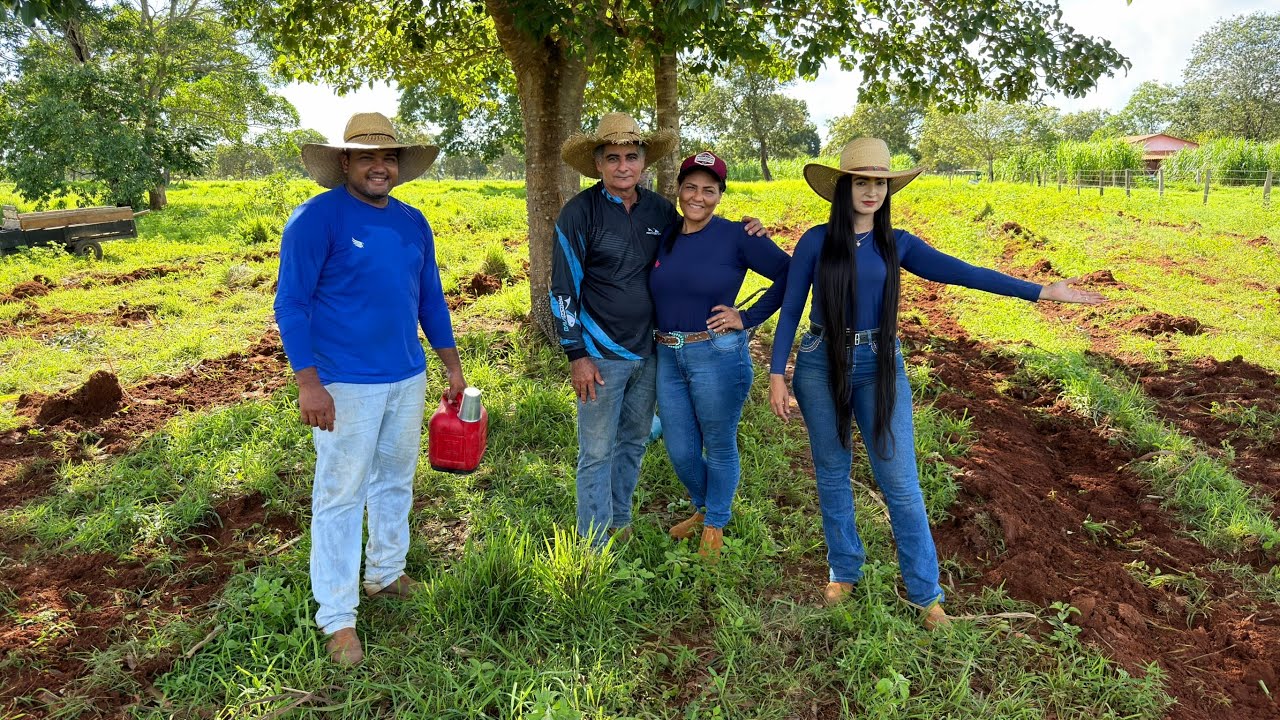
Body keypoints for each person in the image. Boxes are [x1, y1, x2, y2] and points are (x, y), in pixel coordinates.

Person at [767, 138, 1104, 629]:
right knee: (832, 471)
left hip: (880, 363)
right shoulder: (816, 242)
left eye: (880, 183)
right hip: (821, 363)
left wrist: (1040, 290)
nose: (871, 192)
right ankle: (844, 570)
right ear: (843, 188)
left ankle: (926, 596)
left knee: (899, 482)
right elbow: (793, 305)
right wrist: (777, 372)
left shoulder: (896, 243)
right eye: (862, 182)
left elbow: (963, 273)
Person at [274, 112, 467, 665]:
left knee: (394, 481)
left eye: (388, 158)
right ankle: (337, 617)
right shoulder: (316, 220)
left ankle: (385, 572)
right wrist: (309, 383)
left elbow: (429, 298)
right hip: (344, 385)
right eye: (367, 157)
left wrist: (451, 367)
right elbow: (291, 304)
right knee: (340, 495)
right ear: (344, 162)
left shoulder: (412, 221)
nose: (380, 166)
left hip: (406, 376)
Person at [649, 151, 790, 558]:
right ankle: (703, 506)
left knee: (719, 442)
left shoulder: (739, 236)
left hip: (716, 354)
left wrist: (747, 316)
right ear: (678, 190)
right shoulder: (667, 235)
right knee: (680, 448)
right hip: (668, 355)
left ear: (720, 195)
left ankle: (715, 522)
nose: (698, 196)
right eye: (690, 187)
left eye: (709, 190)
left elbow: (790, 271)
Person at [551, 113, 680, 546]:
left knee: (634, 441)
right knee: (596, 451)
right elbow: (564, 289)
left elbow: (691, 254)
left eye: (631, 156)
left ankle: (619, 521)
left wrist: (746, 234)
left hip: (651, 350)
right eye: (613, 158)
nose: (623, 166)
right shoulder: (579, 213)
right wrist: (576, 355)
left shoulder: (662, 210)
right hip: (599, 355)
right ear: (599, 164)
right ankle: (592, 541)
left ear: (643, 161)